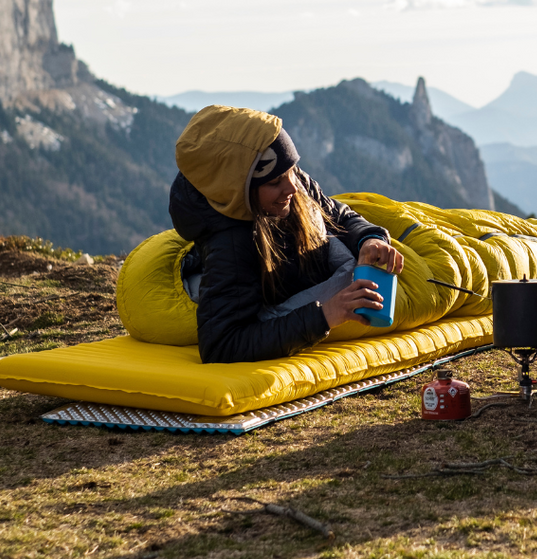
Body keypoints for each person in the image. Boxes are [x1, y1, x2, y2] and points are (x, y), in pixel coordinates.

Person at [169, 104, 404, 364]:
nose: (292, 187)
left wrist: (368, 239)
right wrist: (326, 315)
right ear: (240, 189)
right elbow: (221, 345)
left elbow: (336, 213)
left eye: (291, 171)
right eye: (274, 182)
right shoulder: (232, 244)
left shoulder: (289, 179)